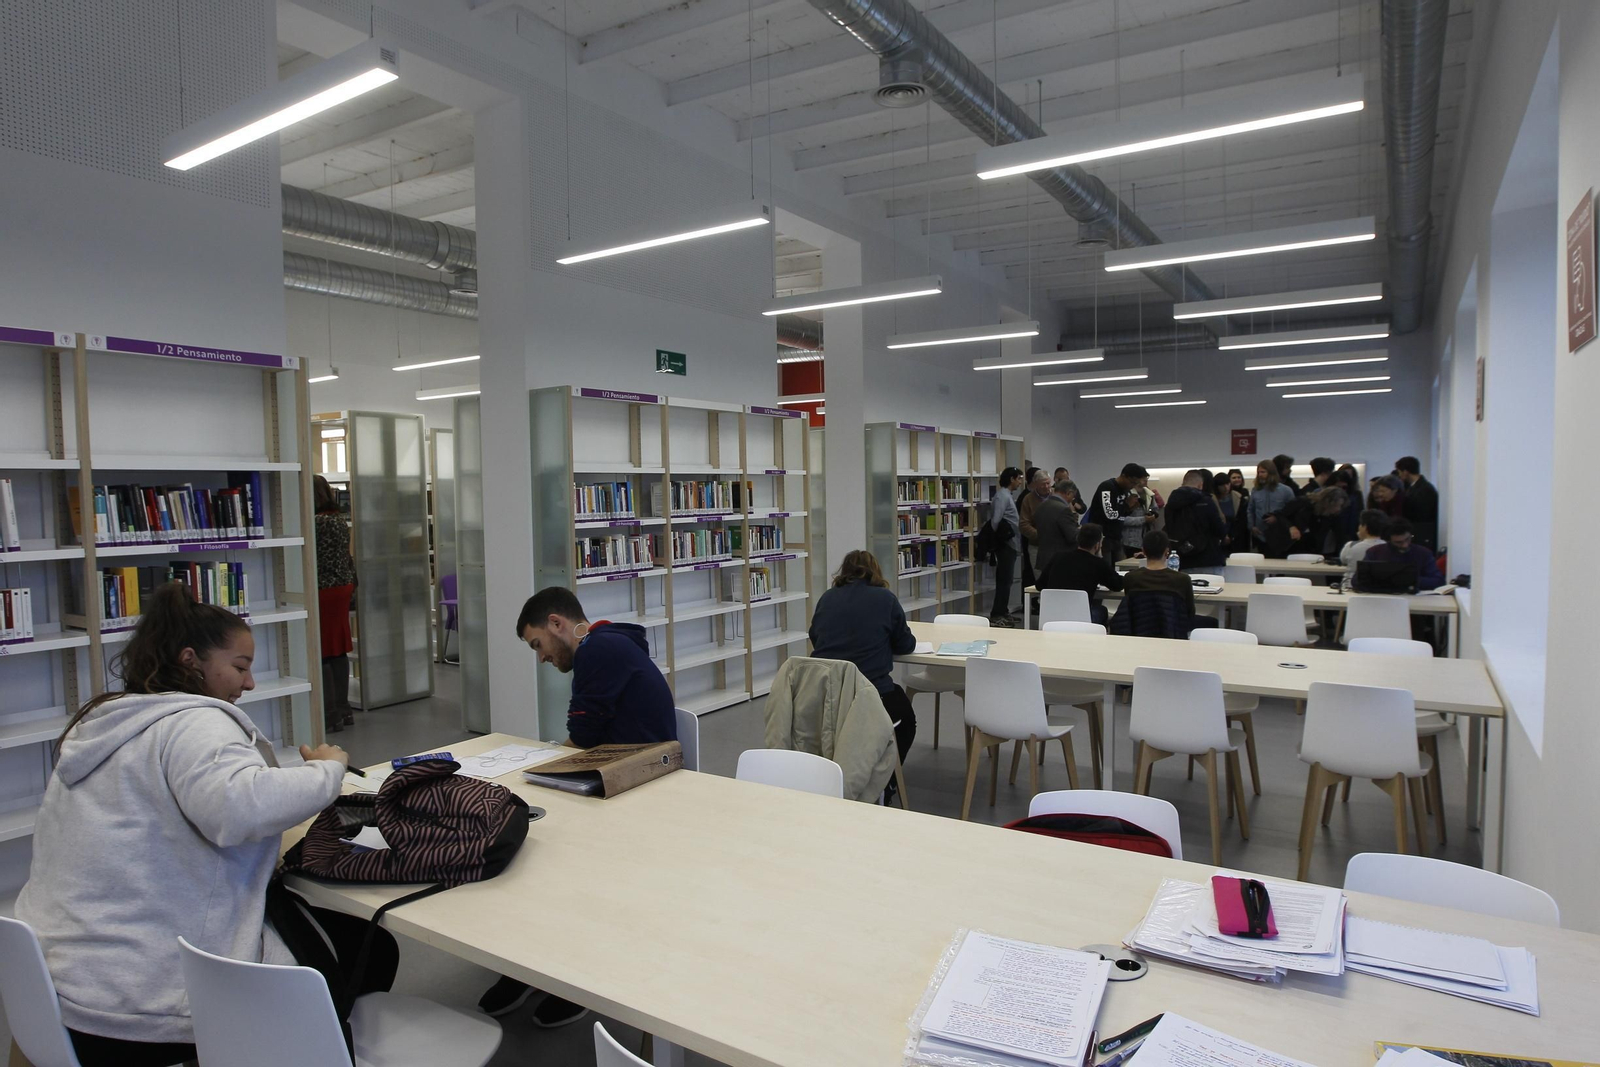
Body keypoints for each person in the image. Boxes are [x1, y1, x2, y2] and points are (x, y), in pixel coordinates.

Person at [16, 582, 374, 1067]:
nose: (249, 684)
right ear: (191, 660)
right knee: (363, 952)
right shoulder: (195, 724)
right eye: (241, 668)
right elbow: (237, 808)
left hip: (58, 987)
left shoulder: (101, 724)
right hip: (142, 1008)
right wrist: (325, 771)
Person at [483, 586, 680, 1023]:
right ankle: (534, 961)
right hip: (625, 773)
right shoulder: (607, 643)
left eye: (538, 644)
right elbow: (587, 733)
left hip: (642, 788)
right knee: (535, 839)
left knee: (540, 843)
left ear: (557, 624)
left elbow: (584, 736)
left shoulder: (598, 650)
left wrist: (533, 769)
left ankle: (575, 974)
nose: (542, 658)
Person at [807, 550, 917, 771]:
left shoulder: (827, 598)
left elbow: (816, 637)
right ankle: (889, 780)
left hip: (826, 693)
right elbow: (906, 645)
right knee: (906, 721)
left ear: (844, 572)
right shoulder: (886, 599)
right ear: (875, 571)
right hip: (871, 692)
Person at [313, 474, 355, 734]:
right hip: (341, 588)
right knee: (338, 649)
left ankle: (330, 715)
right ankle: (344, 708)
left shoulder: (315, 523)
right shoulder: (338, 519)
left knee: (323, 651)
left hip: (322, 590)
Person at [1036, 522, 1123, 624]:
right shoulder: (1098, 564)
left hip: (1052, 618)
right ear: (1097, 545)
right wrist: (1100, 557)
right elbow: (1117, 585)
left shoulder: (1058, 557)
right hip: (1081, 619)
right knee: (1102, 610)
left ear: (1078, 540)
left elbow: (1040, 585)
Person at [1163, 469, 1228, 574]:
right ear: (1200, 485)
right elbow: (1219, 530)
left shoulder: (1171, 504)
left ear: (1183, 483)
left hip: (1182, 559)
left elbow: (1169, 528)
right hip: (1209, 558)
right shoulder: (1206, 501)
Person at [1120, 529, 1196, 617]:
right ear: (1167, 552)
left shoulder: (1131, 578)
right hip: (1172, 627)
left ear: (1143, 551)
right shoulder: (1183, 579)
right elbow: (1190, 613)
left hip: (1140, 627)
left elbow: (1130, 611)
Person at [1087, 463, 1150, 561]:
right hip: (1103, 538)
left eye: (1135, 484)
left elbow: (1121, 515)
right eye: (1132, 482)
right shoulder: (1107, 487)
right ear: (1124, 476)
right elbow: (1109, 514)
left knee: (1120, 569)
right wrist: (1126, 505)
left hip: (1117, 537)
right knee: (1106, 570)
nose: (1132, 486)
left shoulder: (1126, 491)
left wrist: (1130, 509)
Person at [1363, 517, 1445, 590]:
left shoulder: (1424, 553)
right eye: (1398, 542)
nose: (1405, 545)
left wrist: (1409, 579)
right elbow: (1357, 580)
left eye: (1408, 539)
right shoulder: (1374, 552)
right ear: (1388, 540)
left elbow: (1438, 581)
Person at [987, 466, 1023, 625]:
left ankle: (1004, 611)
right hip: (1006, 544)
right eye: (1019, 478)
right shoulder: (1002, 496)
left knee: (1007, 580)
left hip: (1012, 543)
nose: (1020, 482)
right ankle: (997, 614)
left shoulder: (1007, 495)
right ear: (1011, 479)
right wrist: (997, 540)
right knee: (1004, 580)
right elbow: (996, 520)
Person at [1280, 486, 1350, 558]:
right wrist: (1291, 527)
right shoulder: (1302, 502)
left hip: (1312, 550)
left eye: (1341, 506)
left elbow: (1340, 535)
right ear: (1327, 501)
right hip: (1290, 545)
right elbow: (1281, 515)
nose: (1338, 509)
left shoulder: (1333, 516)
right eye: (1336, 505)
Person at [1032, 478, 1081, 577]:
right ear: (1068, 493)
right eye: (1073, 496)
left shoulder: (1041, 507)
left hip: (1044, 559)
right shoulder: (1064, 510)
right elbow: (1072, 537)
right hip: (1061, 561)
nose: (1072, 500)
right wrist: (1081, 530)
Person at [1247, 460, 1295, 553]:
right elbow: (1250, 510)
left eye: (1263, 472)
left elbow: (1292, 511)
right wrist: (1252, 526)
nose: (1260, 474)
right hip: (1260, 534)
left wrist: (1277, 518)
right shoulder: (1256, 490)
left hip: (1280, 535)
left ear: (1271, 472)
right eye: (1258, 472)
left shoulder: (1286, 491)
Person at [1017, 467, 1050, 591]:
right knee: (1040, 579)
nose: (1046, 487)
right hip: (1036, 546)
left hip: (1056, 545)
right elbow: (1024, 525)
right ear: (1035, 484)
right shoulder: (1028, 499)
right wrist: (1040, 535)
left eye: (1048, 483)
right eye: (1043, 484)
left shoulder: (1056, 497)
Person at [1394, 456, 1439, 548]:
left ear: (1405, 472)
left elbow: (1423, 515)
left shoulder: (1424, 489)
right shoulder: (1413, 487)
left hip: (1422, 532)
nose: (1399, 475)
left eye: (1399, 472)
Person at [1340, 509, 1389, 584]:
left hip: (1350, 586)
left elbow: (1343, 560)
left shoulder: (1351, 545)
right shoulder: (1389, 548)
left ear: (1365, 527)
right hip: (1378, 588)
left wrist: (1360, 540)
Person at [1213, 470, 1247, 551]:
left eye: (1227, 484)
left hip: (1235, 537)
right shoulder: (1212, 499)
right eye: (1222, 485)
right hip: (1217, 537)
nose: (1226, 488)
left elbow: (1241, 519)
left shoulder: (1237, 497)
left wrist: (1231, 536)